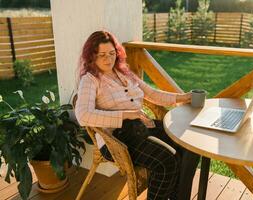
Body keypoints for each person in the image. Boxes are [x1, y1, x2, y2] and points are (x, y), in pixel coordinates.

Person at [75, 30, 199, 200]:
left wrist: (183, 97)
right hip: (116, 139)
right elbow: (83, 115)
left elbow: (152, 94)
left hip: (141, 127)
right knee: (166, 162)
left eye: (112, 53)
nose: (108, 59)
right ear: (91, 56)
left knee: (189, 145)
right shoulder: (90, 80)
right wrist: (126, 115)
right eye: (102, 55)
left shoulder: (123, 72)